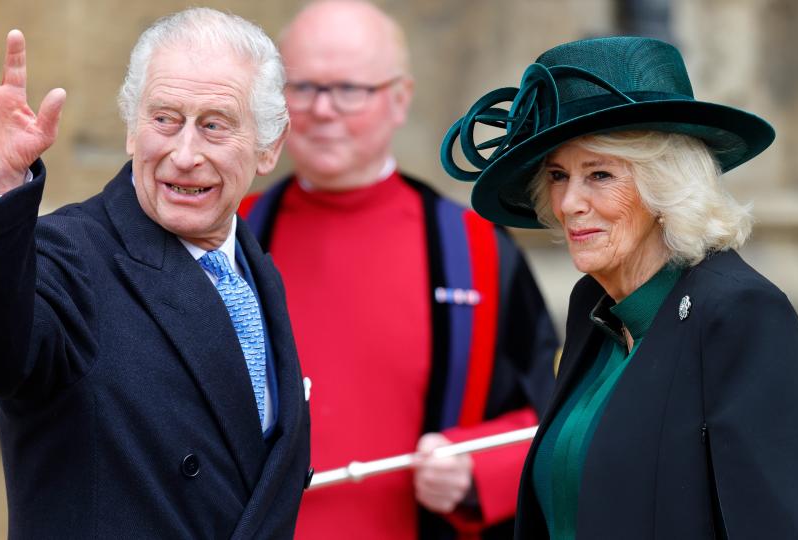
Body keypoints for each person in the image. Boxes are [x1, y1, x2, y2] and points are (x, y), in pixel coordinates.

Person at [0, 8, 311, 539]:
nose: (184, 154)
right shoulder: (72, 255)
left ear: (268, 147)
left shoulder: (255, 269)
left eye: (214, 125)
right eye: (164, 119)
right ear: (131, 129)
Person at [441, 36, 798, 538]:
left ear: (666, 185)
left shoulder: (739, 312)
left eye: (599, 174)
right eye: (557, 175)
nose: (570, 201)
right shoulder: (594, 307)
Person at [239, 1, 559, 538]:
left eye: (349, 89)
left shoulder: (474, 247)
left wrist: (479, 471)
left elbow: (550, 416)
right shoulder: (228, 235)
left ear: (399, 98)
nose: (322, 109)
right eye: (303, 87)